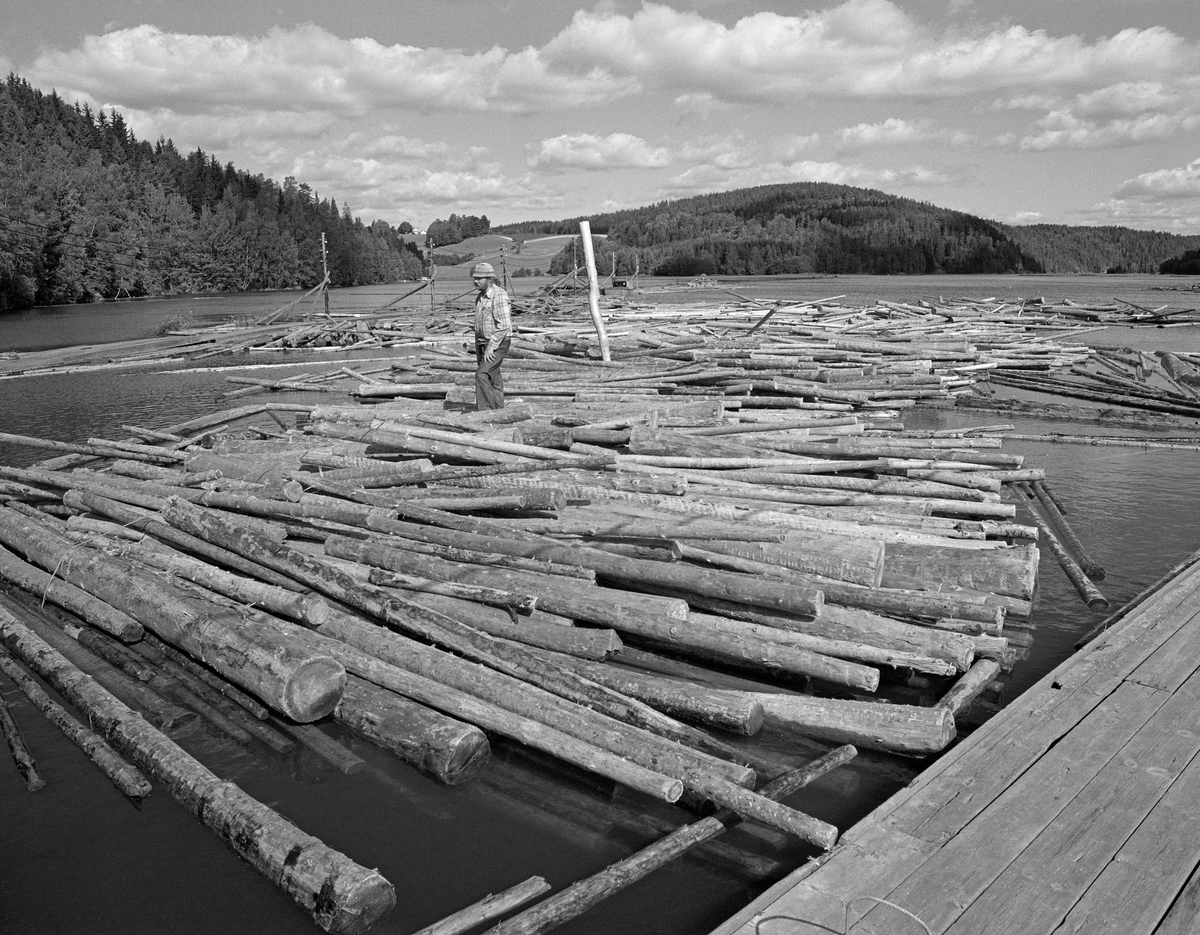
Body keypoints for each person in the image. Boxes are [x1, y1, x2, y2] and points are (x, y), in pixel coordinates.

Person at [470, 261, 511, 410]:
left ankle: (486, 411)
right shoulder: (480, 298)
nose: (475, 281)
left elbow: (504, 325)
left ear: (489, 279)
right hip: (482, 342)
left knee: (482, 374)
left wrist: (491, 347)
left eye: (479, 278)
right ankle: (499, 409)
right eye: (474, 278)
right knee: (493, 376)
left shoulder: (499, 295)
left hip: (498, 342)